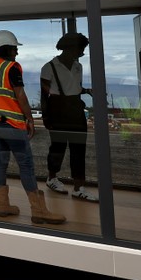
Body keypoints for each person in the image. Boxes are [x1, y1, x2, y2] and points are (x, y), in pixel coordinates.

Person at [0, 30, 65, 224]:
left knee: (0, 163)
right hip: (11, 125)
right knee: (26, 165)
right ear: (6, 49)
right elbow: (20, 96)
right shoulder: (11, 68)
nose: (16, 52)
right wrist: (29, 119)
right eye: (14, 48)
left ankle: (3, 206)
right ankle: (38, 211)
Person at [41, 32, 98, 202]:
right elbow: (45, 95)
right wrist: (46, 117)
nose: (82, 52)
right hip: (57, 109)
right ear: (71, 47)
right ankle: (52, 178)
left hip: (75, 109)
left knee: (79, 148)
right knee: (57, 147)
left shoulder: (78, 66)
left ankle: (79, 187)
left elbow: (74, 88)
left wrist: (87, 91)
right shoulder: (49, 67)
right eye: (81, 48)